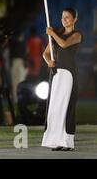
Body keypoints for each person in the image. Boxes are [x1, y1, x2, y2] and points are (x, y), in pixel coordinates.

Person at [42, 8, 82, 151]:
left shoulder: (77, 35)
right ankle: (56, 141)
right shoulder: (56, 34)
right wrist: (49, 62)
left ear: (74, 19)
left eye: (67, 17)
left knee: (67, 107)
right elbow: (45, 53)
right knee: (55, 107)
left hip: (69, 75)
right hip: (56, 73)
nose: (64, 19)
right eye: (62, 17)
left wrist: (52, 33)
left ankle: (67, 142)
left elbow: (64, 44)